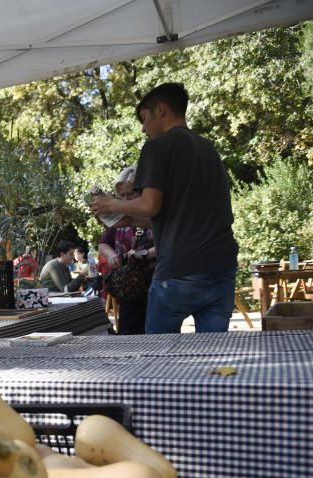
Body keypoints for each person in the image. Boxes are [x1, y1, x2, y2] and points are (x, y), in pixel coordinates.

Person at [90, 82, 238, 333]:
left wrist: (110, 203)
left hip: (179, 270)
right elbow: (176, 213)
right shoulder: (207, 148)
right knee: (214, 355)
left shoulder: (157, 147)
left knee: (157, 358)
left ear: (160, 110)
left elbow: (149, 205)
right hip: (221, 265)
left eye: (144, 118)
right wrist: (124, 220)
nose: (143, 128)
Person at [98, 166, 157, 334]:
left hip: (155, 284)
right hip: (128, 287)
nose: (124, 200)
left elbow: (168, 245)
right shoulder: (119, 217)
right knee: (128, 333)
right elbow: (103, 243)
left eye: (129, 194)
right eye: (121, 196)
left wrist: (143, 255)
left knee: (156, 335)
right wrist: (111, 255)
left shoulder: (154, 214)